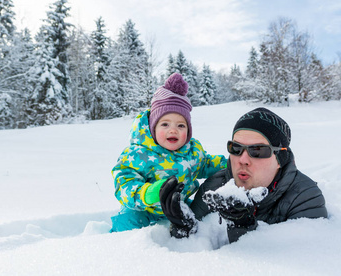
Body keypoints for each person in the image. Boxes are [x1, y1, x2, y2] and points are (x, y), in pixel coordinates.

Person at [159, 107, 328, 242]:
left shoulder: (305, 198)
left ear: (280, 159)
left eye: (258, 150)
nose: (243, 160)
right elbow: (191, 257)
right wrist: (183, 228)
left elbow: (301, 261)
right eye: (236, 148)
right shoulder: (215, 187)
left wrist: (244, 228)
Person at [110, 73, 227, 232]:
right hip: (144, 210)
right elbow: (124, 181)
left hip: (179, 206)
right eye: (165, 124)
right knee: (127, 220)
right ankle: (119, 247)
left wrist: (229, 163)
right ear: (153, 128)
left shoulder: (192, 152)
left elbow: (206, 163)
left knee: (204, 218)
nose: (173, 130)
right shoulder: (138, 153)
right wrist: (147, 193)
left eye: (181, 126)